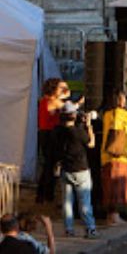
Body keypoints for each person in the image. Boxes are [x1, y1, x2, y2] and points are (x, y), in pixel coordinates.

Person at [52, 101, 97, 239]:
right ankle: (90, 229)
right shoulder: (78, 132)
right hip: (81, 170)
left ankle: (69, 229)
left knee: (67, 203)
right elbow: (91, 143)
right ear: (73, 115)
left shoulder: (58, 131)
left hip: (66, 169)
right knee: (84, 202)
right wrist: (89, 126)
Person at [100, 89, 127, 225]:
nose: (125, 100)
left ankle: (110, 216)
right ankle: (115, 217)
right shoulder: (121, 114)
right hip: (119, 158)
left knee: (108, 187)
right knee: (118, 187)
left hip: (106, 157)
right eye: (123, 98)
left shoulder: (107, 115)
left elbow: (125, 120)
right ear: (120, 100)